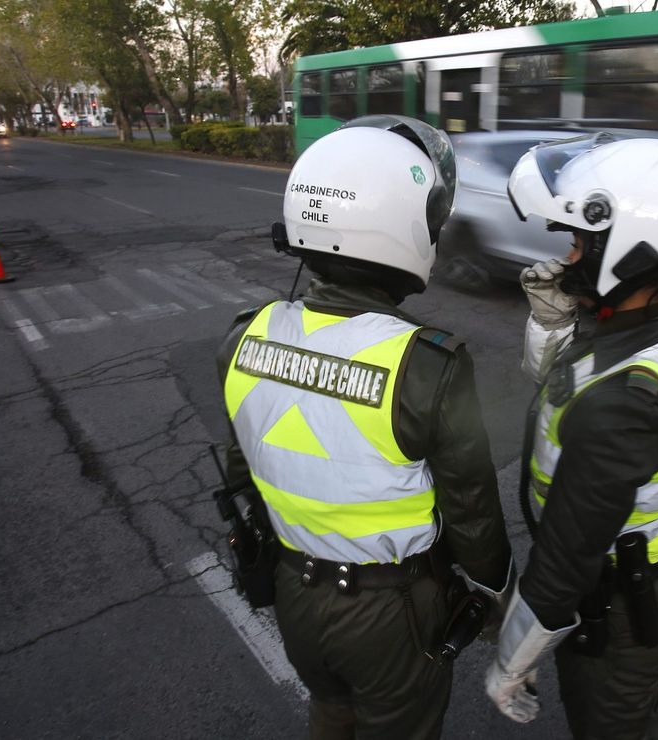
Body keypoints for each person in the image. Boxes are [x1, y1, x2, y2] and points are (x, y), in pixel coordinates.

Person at [218, 115, 513, 740]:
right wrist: (494, 595)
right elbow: (471, 509)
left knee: (330, 711)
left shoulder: (244, 337)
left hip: (294, 594)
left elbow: (242, 468)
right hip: (390, 613)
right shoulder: (425, 363)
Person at [484, 134, 658, 739]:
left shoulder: (626, 399)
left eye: (580, 241)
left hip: (612, 600)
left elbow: (567, 553)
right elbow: (561, 387)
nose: (569, 255)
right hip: (640, 577)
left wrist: (514, 658)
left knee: (614, 725)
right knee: (637, 712)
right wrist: (551, 320)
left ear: (631, 245)